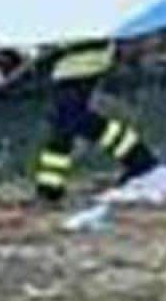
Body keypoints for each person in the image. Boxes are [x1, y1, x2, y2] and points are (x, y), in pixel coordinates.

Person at [31, 39, 156, 203]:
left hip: (84, 58)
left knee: (71, 120)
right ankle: (49, 188)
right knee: (63, 125)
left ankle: (139, 158)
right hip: (70, 61)